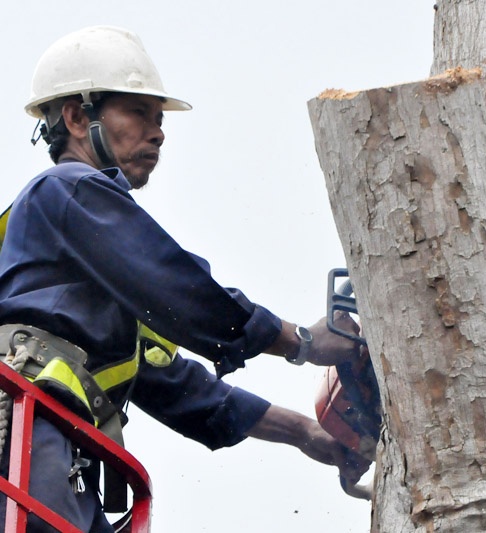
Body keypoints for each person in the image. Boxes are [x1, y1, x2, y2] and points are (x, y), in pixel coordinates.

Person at [0, 25, 368, 532]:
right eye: (137, 113)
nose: (158, 132)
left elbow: (180, 387)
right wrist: (298, 342)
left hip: (57, 449)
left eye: (158, 118)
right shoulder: (65, 190)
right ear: (77, 118)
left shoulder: (97, 293)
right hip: (27, 435)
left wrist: (306, 433)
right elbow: (178, 287)